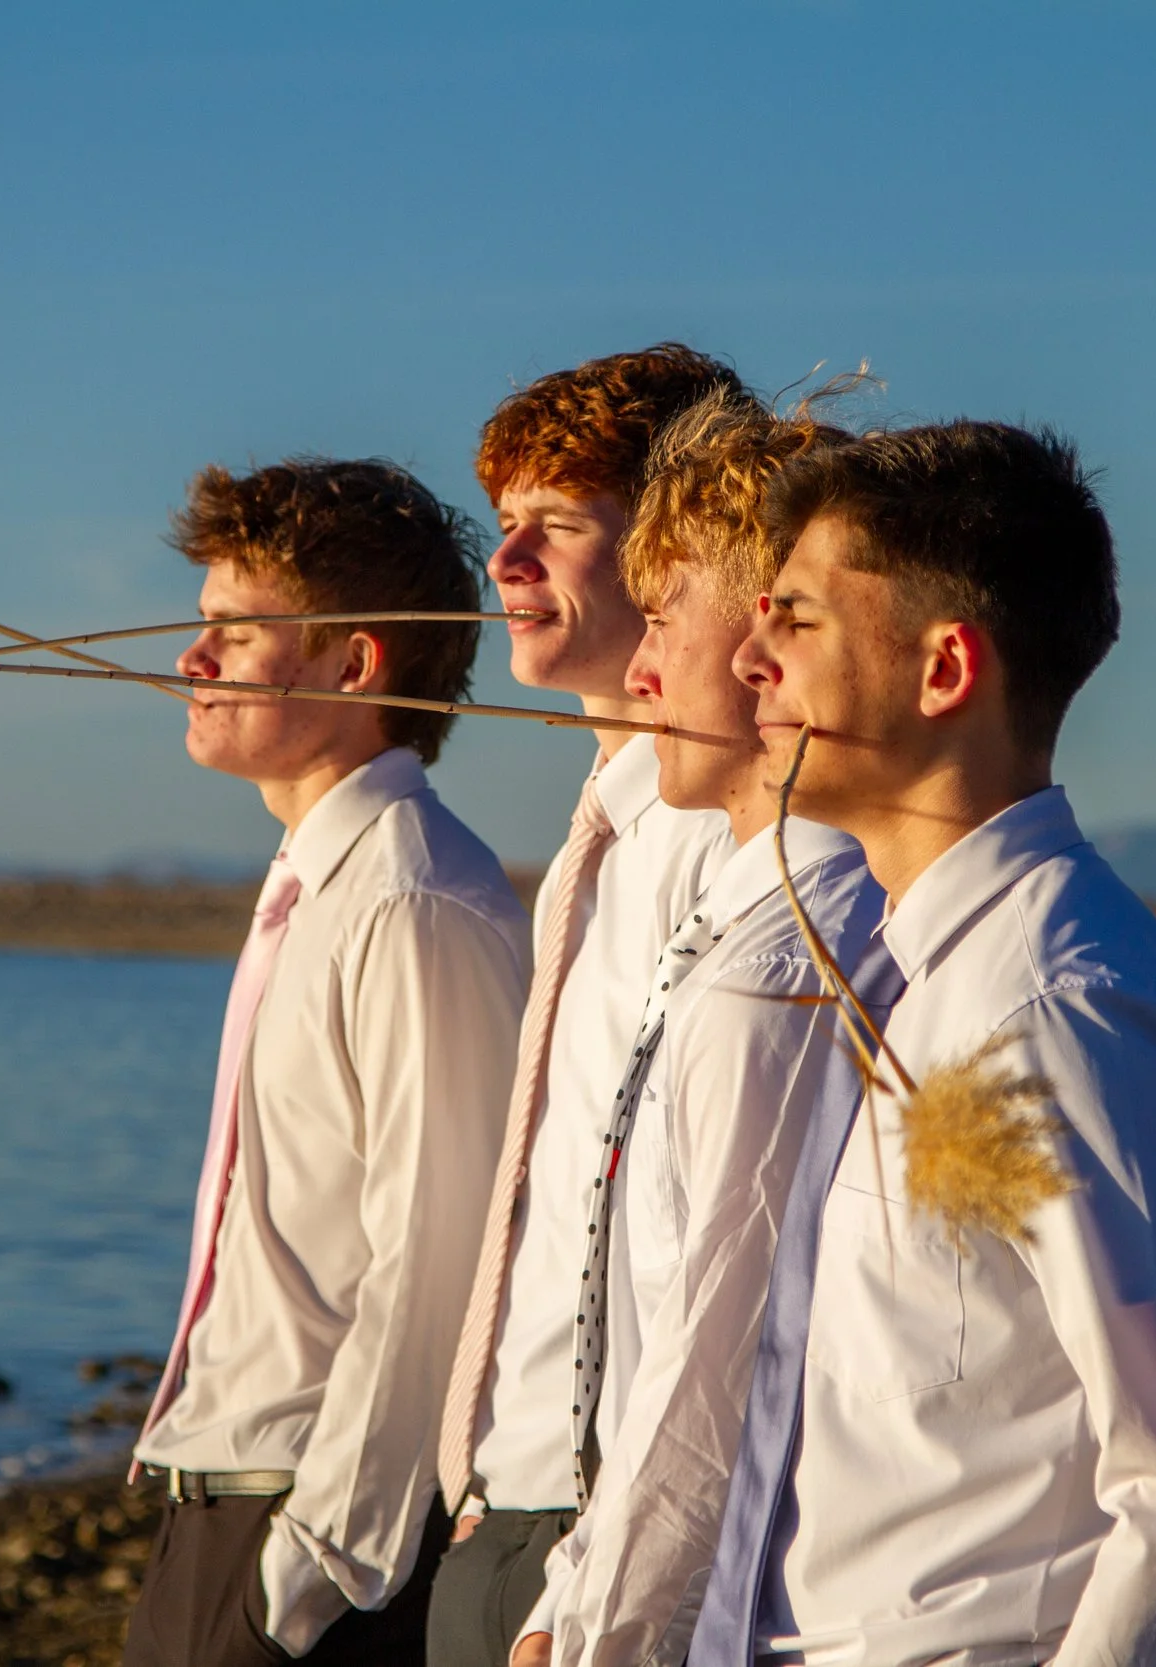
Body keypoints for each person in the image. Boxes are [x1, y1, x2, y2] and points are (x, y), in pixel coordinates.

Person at [694, 423, 1156, 1667]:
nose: (747, 658)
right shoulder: (917, 971)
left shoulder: (1052, 1009)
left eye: (796, 619)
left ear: (944, 667)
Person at [123, 458, 531, 1667]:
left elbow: (437, 1260)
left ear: (356, 664)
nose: (190, 664)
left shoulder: (414, 901)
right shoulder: (317, 880)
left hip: (300, 1543)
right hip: (221, 1504)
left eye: (232, 634)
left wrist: (305, 1580)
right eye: (202, 630)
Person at [514, 388, 887, 1667]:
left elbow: (713, 1347)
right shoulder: (745, 924)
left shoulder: (784, 958)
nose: (635, 663)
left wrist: (596, 1622)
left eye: (660, 610)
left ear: (762, 651)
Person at [429, 345, 746, 1667]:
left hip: (612, 1535)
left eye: (555, 526)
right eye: (504, 527)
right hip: (499, 1505)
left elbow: (713, 1246)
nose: (505, 564)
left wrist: (604, 1563)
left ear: (672, 548)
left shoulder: (728, 845)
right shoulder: (590, 834)